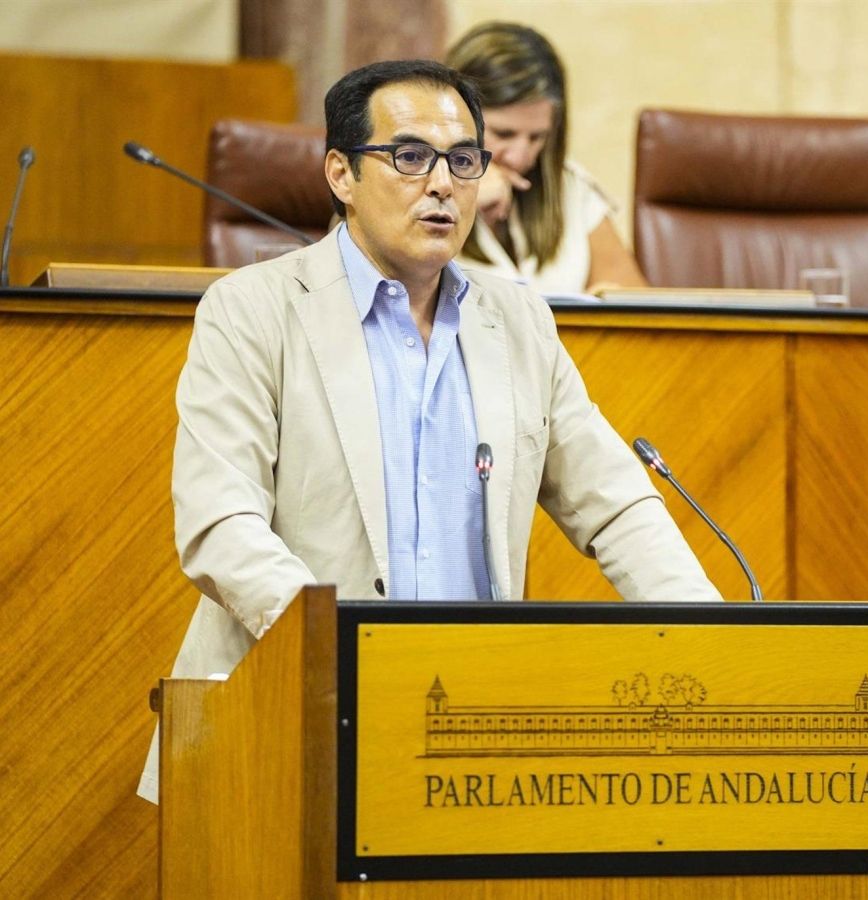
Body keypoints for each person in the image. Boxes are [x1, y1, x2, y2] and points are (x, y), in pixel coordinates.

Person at [136, 59, 719, 804]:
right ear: (342, 174)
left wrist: (711, 635)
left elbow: (614, 504)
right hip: (287, 717)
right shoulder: (251, 309)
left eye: (464, 160)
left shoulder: (518, 320)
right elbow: (220, 525)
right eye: (410, 156)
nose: (442, 183)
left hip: (468, 737)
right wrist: (352, 654)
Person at [444, 22, 646, 295]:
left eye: (537, 137)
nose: (519, 157)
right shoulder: (415, 189)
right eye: (504, 134)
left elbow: (638, 305)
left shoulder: (569, 188)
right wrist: (460, 201)